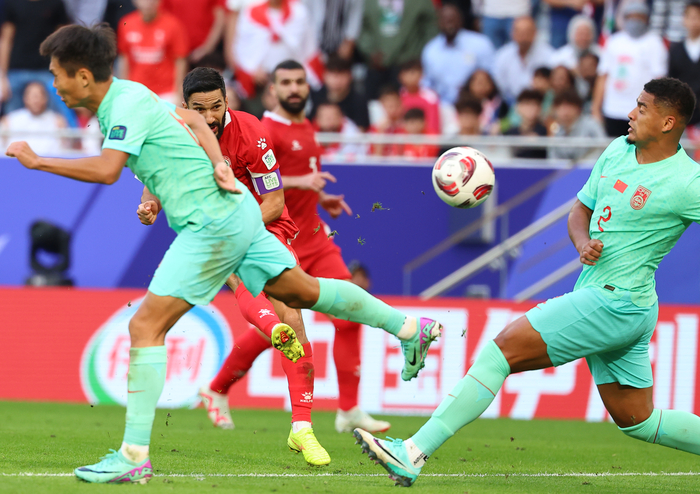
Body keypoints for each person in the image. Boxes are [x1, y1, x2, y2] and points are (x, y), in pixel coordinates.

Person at [7, 24, 443, 484]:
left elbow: (107, 170)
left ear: (82, 75)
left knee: (145, 326)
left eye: (56, 73)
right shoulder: (134, 95)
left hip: (210, 226)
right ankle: (408, 328)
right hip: (238, 214)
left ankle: (134, 454)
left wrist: (39, 161)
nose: (52, 83)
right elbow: (193, 125)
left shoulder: (125, 106)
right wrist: (216, 162)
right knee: (304, 291)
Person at [354, 78, 700, 488]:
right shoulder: (618, 150)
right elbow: (580, 210)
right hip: (619, 302)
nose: (630, 113)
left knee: (500, 352)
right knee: (638, 420)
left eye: (641, 108)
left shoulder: (686, 182)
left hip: (616, 302)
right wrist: (582, 242)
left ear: (668, 122)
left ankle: (412, 452)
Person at [139, 67, 327, 465]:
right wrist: (150, 204)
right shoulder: (173, 131)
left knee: (293, 317)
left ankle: (302, 427)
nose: (209, 117)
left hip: (265, 224)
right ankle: (271, 335)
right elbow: (156, 179)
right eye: (199, 109)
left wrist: (241, 229)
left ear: (228, 101)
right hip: (215, 228)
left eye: (216, 107)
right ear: (185, 106)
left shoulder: (252, 132)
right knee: (244, 280)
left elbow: (274, 201)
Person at [262, 60, 396, 435]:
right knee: (274, 329)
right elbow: (258, 182)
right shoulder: (265, 130)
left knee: (350, 313)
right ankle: (219, 386)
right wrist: (303, 181)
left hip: (316, 239)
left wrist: (320, 198)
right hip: (282, 243)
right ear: (272, 89)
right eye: (285, 82)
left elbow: (302, 183)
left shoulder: (306, 126)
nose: (293, 88)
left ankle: (349, 409)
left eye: (299, 81)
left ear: (309, 87)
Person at [592, 2, 667, 137]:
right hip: (613, 109)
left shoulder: (655, 43)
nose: (635, 21)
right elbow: (603, 76)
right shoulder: (613, 41)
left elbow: (660, 81)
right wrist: (596, 108)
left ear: (646, 19)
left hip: (641, 112)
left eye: (639, 17)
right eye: (631, 17)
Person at [232, 0, 323, 98]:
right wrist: (252, 70)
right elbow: (242, 47)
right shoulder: (250, 11)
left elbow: (308, 46)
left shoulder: (298, 11)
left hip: (292, 77)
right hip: (260, 82)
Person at [0, 0, 72, 123]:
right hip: (16, 71)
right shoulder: (13, 2)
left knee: (55, 120)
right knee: (12, 122)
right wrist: (2, 76)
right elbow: (6, 39)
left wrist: (63, 72)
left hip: (48, 71)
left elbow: (63, 40)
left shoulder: (56, 3)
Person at [357, 0, 438, 100]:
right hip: (376, 66)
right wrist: (370, 51)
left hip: (408, 66)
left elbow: (430, 27)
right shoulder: (367, 2)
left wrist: (418, 54)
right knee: (373, 106)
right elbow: (361, 26)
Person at [421, 4, 495, 105]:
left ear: (461, 21)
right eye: (445, 20)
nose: (449, 25)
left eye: (452, 20)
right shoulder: (431, 50)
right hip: (443, 105)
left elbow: (491, 76)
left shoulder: (480, 43)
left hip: (476, 104)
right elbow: (427, 84)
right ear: (438, 23)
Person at [117, 0, 189, 103]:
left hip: (166, 92)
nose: (148, 3)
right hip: (136, 89)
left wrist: (179, 93)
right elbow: (124, 58)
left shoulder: (173, 24)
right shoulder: (126, 23)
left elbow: (180, 60)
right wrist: (123, 90)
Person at [493, 16, 554, 104]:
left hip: (540, 101)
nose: (523, 36)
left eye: (527, 32)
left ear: (535, 33)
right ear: (512, 33)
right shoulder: (502, 55)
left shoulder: (549, 55)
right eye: (519, 32)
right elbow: (499, 86)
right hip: (510, 103)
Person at [1, 81, 68, 155]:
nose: (36, 100)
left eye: (39, 96)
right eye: (33, 96)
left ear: (46, 98)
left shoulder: (58, 121)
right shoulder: (9, 120)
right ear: (25, 98)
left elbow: (66, 151)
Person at [309, 55, 370, 131]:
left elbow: (361, 130)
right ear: (324, 75)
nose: (337, 81)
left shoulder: (359, 101)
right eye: (333, 75)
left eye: (342, 75)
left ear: (350, 76)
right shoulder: (317, 96)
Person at [161, 0, 226, 64]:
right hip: (176, 54)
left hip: (206, 56)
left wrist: (206, 48)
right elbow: (163, 19)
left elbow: (220, 19)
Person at [548, 89, 606, 160]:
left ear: (578, 108)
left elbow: (603, 148)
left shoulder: (591, 124)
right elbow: (553, 157)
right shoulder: (557, 130)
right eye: (560, 107)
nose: (565, 111)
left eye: (569, 106)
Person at [668, 1, 700, 128]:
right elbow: (672, 80)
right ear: (684, 19)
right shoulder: (676, 50)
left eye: (697, 17)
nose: (694, 22)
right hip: (682, 112)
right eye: (690, 17)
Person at [397, 60, 441, 134]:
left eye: (413, 73)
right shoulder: (397, 97)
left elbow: (433, 127)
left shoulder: (430, 97)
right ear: (401, 76)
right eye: (407, 73)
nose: (410, 76)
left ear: (421, 75)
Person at [504, 89, 548, 159]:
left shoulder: (545, 131)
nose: (530, 108)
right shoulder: (510, 132)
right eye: (527, 104)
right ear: (518, 107)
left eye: (534, 104)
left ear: (540, 108)